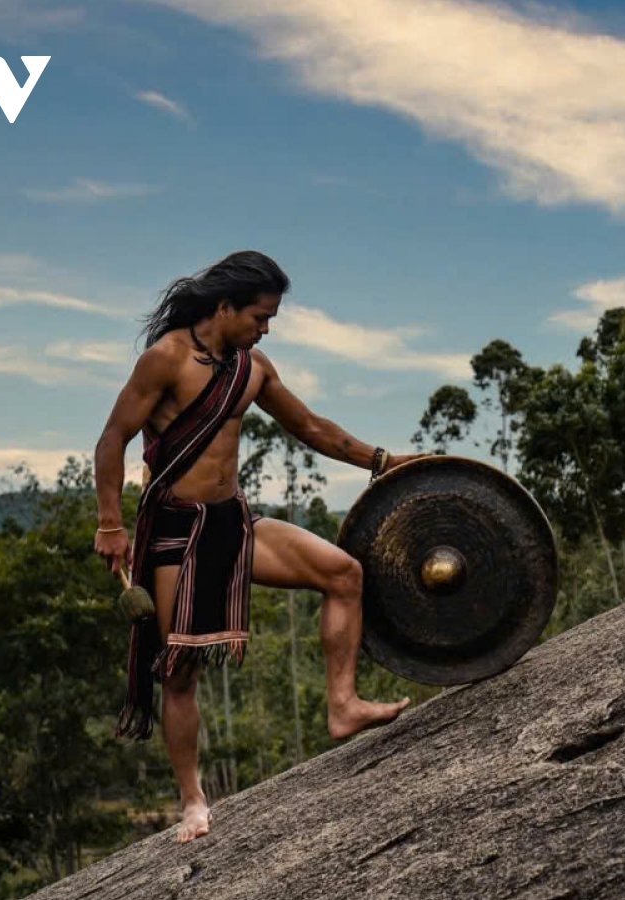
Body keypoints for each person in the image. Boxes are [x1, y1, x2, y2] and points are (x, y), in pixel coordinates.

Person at [92, 250, 420, 843]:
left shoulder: (253, 368)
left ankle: (342, 705)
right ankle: (193, 800)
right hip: (175, 531)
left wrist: (383, 461)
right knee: (180, 672)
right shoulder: (166, 358)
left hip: (233, 523)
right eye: (259, 316)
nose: (265, 328)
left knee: (343, 573)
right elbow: (112, 438)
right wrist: (110, 523)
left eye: (270, 319)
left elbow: (311, 428)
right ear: (225, 306)